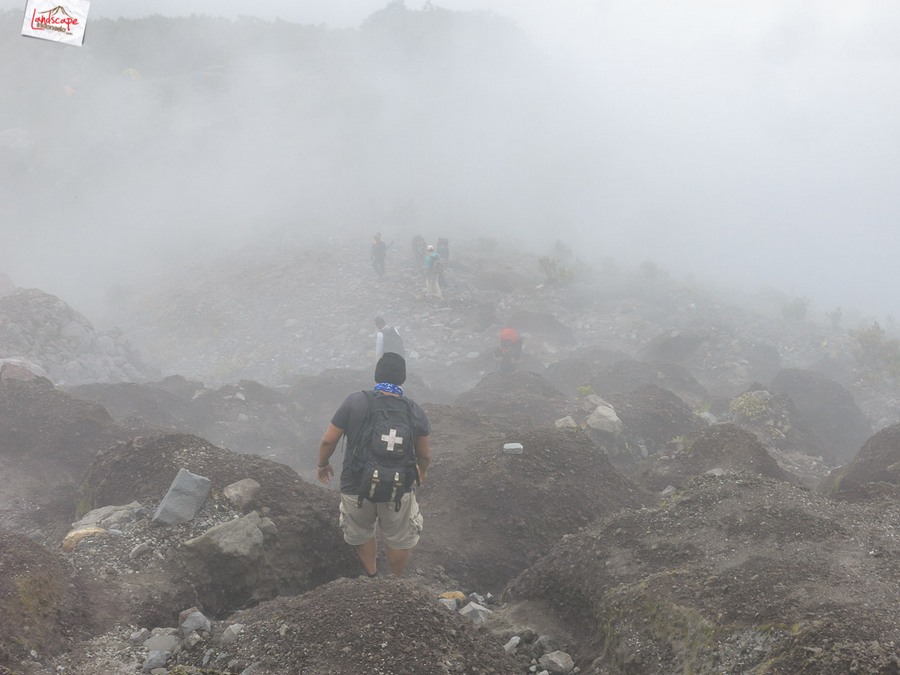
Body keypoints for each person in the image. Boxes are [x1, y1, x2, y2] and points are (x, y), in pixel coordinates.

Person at [316, 353, 431, 577]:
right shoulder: (414, 409)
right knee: (399, 536)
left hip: (356, 484)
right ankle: (395, 582)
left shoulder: (355, 401)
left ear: (377, 374)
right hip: (398, 488)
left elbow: (328, 440)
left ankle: (372, 576)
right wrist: (422, 472)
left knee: (361, 531)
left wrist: (323, 463)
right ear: (403, 378)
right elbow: (424, 454)